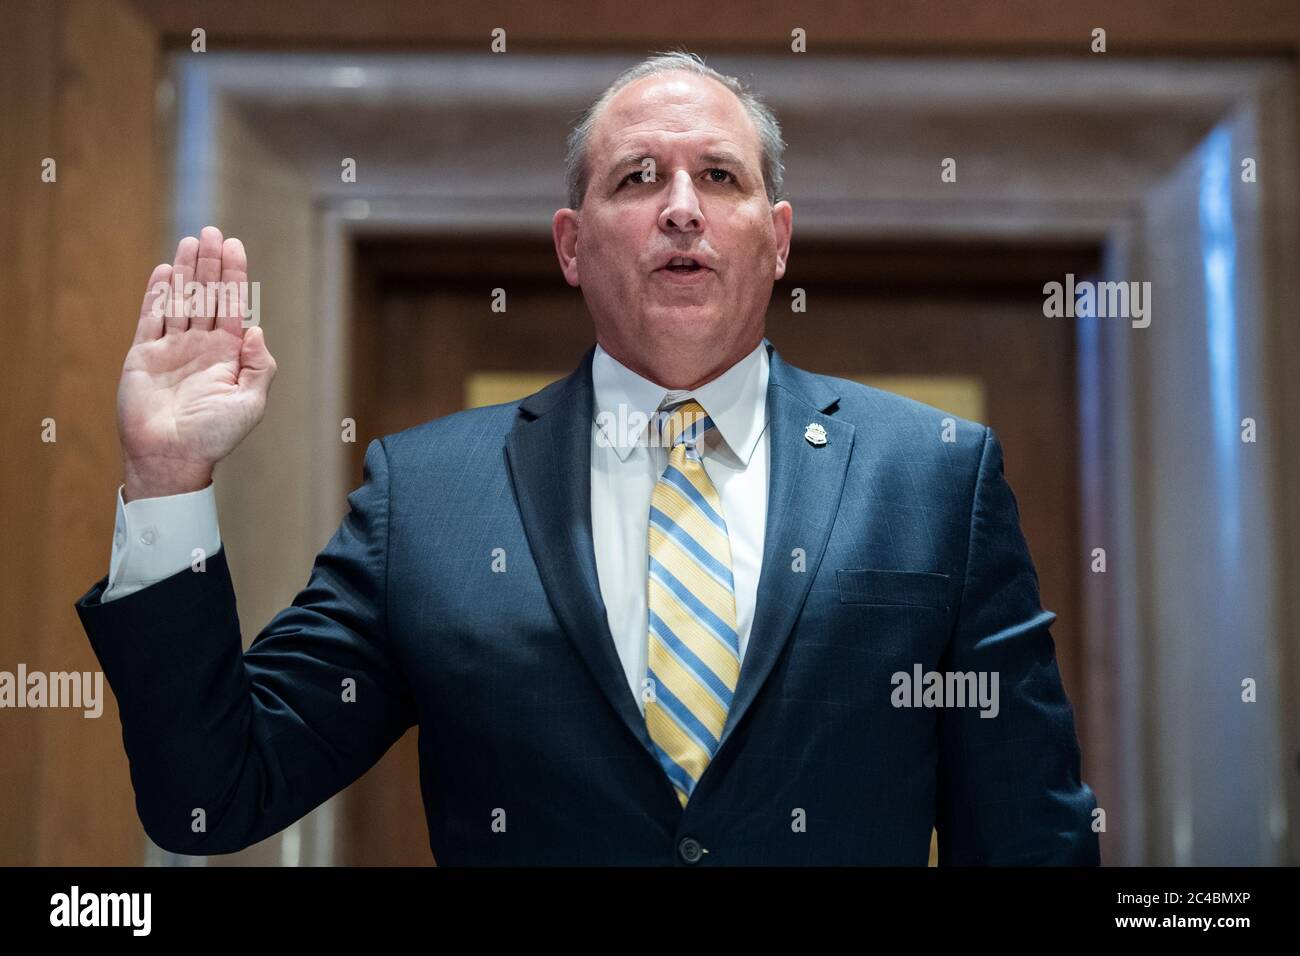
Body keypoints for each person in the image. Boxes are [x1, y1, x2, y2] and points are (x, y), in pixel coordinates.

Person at [75, 51, 1100, 865]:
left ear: (776, 237)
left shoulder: (931, 475)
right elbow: (213, 796)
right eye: (638, 178)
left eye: (721, 177)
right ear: (571, 244)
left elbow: (1030, 840)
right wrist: (167, 479)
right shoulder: (427, 497)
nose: (683, 206)